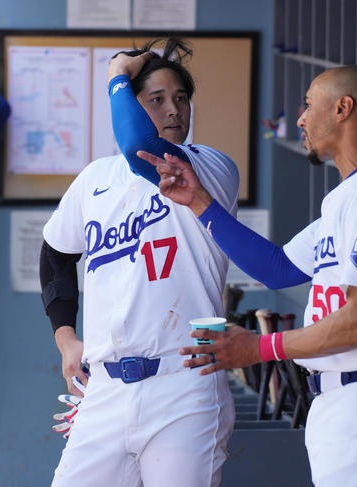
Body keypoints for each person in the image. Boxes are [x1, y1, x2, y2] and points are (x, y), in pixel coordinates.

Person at [139, 65, 357, 486]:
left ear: (343, 109)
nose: (300, 118)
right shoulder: (352, 195)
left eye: (309, 105)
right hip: (353, 399)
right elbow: (276, 268)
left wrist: (260, 347)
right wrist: (200, 202)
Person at [39, 38, 238, 487]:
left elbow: (137, 146)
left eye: (181, 98)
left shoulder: (207, 167)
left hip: (184, 384)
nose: (174, 110)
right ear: (131, 105)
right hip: (105, 389)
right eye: (157, 99)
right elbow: (55, 254)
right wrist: (66, 339)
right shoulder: (95, 178)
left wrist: (117, 74)